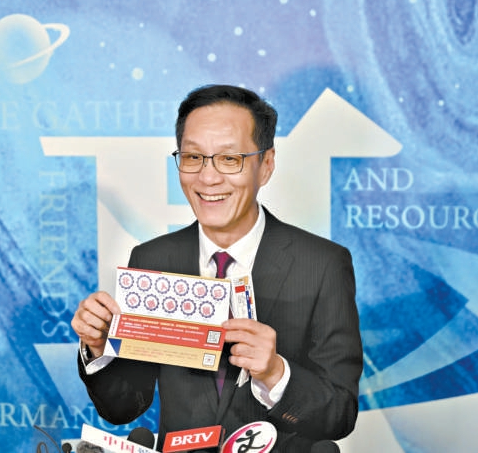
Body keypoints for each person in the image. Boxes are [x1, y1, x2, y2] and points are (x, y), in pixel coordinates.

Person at [71, 84, 363, 452]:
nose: (208, 178)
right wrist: (99, 348)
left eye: (229, 159)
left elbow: (340, 414)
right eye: (193, 157)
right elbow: (124, 406)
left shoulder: (322, 264)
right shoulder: (153, 259)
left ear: (266, 165)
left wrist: (275, 373)